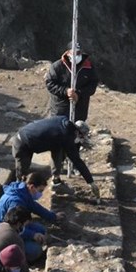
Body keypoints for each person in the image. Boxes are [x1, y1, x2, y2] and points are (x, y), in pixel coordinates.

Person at [45, 42, 99, 183]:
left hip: (79, 109)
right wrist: (65, 91)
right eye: (73, 53)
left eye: (79, 53)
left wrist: (79, 94)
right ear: (67, 53)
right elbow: (50, 83)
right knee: (59, 139)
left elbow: (93, 85)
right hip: (60, 109)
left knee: (76, 137)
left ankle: (74, 164)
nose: (76, 56)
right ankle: (57, 168)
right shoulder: (57, 66)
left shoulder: (88, 67)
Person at [0, 171, 64, 262]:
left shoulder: (22, 191)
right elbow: (12, 226)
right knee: (35, 250)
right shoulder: (16, 201)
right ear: (32, 187)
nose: (41, 194)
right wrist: (32, 235)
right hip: (0, 235)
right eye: (40, 191)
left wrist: (53, 216)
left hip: (13, 226)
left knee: (41, 230)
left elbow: (35, 207)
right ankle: (21, 260)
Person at [11, 116, 95, 193]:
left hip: (30, 137)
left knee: (58, 149)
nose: (80, 139)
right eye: (81, 137)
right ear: (77, 132)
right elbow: (77, 161)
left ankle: (56, 181)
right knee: (21, 175)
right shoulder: (66, 137)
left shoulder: (63, 122)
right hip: (22, 142)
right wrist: (91, 182)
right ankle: (18, 195)